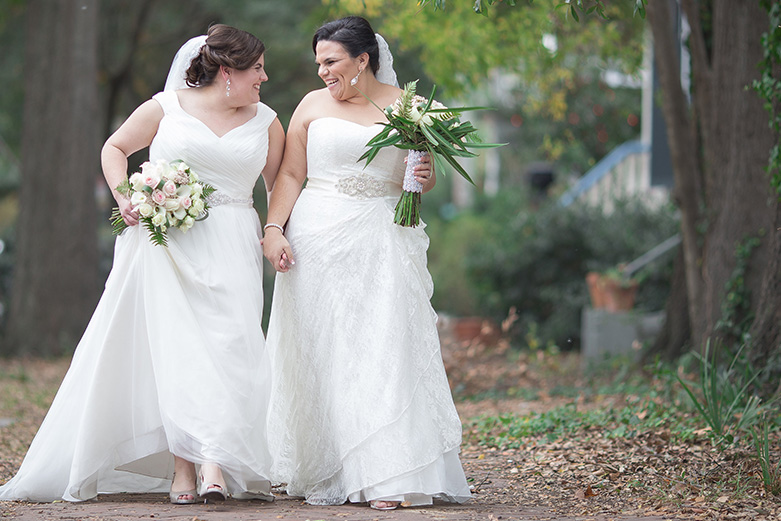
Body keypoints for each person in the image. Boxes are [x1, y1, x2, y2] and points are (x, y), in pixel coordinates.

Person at [0, 24, 284, 504]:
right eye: (257, 68)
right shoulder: (166, 106)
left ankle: (216, 454)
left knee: (231, 345)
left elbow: (279, 185)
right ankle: (189, 468)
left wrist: (275, 232)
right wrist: (126, 195)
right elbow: (115, 148)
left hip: (234, 240)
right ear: (227, 71)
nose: (265, 77)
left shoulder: (268, 120)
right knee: (180, 349)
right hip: (168, 242)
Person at [262, 16, 471, 510]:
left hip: (380, 240)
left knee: (382, 347)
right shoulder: (312, 106)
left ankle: (385, 473)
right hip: (315, 241)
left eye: (330, 62)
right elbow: (292, 173)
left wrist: (423, 173)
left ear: (363, 59)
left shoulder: (412, 110)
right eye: (318, 63)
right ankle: (330, 465)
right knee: (322, 350)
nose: (322, 73)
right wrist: (273, 230)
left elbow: (422, 181)